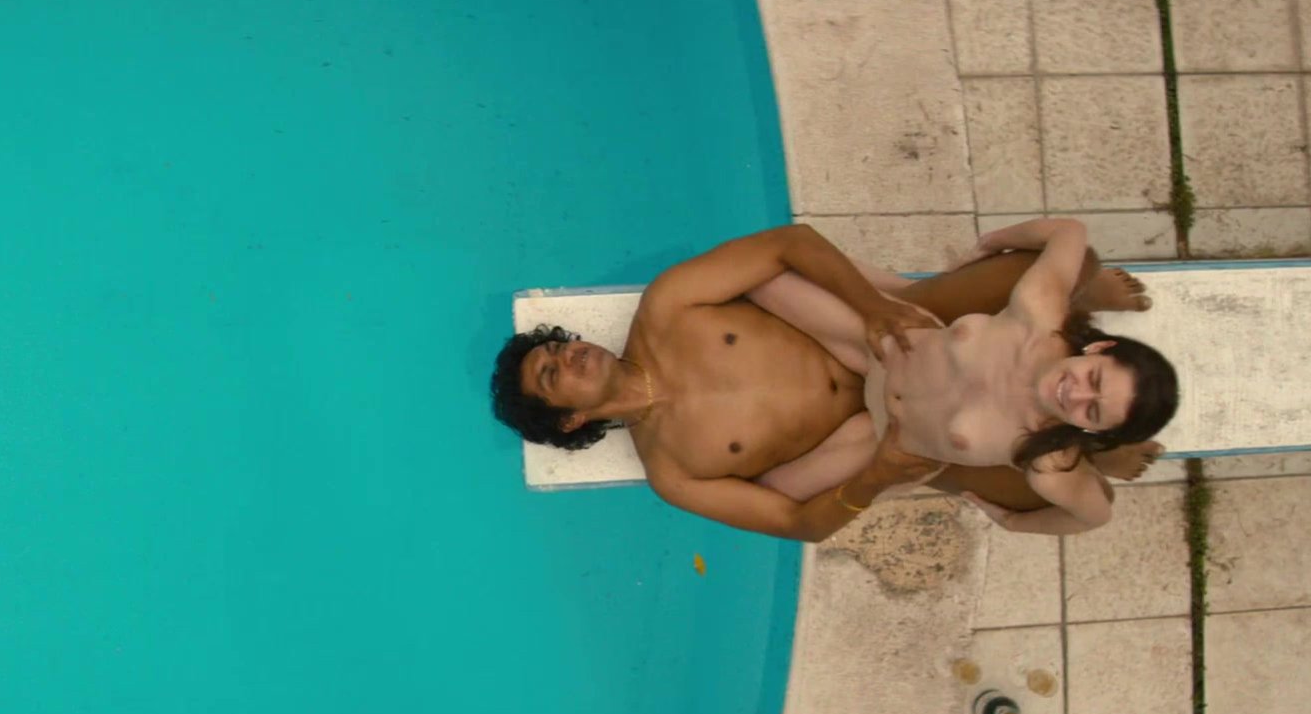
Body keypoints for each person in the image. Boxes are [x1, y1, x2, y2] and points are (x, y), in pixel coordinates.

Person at [490, 223, 1159, 542]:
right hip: (880, 439)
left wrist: (875, 307)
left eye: (559, 345)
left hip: (878, 336)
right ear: (570, 421)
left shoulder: (667, 306)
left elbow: (791, 245)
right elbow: (796, 522)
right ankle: (1098, 441)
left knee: (1058, 270)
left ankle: (1084, 307)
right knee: (1049, 481)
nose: (569, 354)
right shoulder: (673, 473)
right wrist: (879, 476)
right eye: (553, 373)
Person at [741, 216, 1178, 536]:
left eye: (1092, 411)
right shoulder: (1039, 313)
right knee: (766, 277)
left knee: (769, 493)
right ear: (1099, 348)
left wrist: (1013, 523)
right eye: (1094, 380)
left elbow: (1095, 516)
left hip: (881, 438)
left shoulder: (1050, 462)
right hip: (879, 348)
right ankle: (1089, 295)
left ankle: (1102, 453)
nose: (1075, 394)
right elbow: (1071, 232)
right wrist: (991, 242)